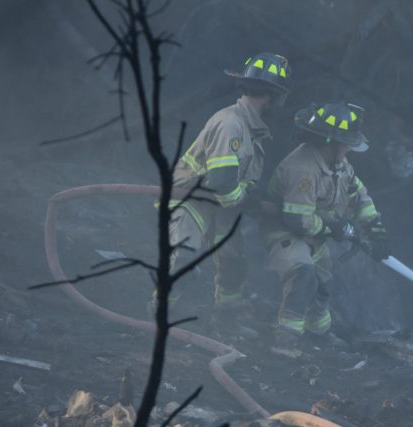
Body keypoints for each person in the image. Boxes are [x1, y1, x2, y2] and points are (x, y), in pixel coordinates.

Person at [165, 51, 291, 327]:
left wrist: (250, 200)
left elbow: (235, 184)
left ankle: (228, 313)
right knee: (185, 257)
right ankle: (161, 313)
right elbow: (222, 182)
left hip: (219, 203)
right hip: (192, 199)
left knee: (233, 259)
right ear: (271, 94)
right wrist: (252, 205)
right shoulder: (231, 124)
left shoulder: (251, 128)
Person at [264, 101, 389, 345]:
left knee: (325, 284)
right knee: (304, 274)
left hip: (315, 234)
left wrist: (376, 229)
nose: (350, 150)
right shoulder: (302, 169)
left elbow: (357, 194)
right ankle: (287, 334)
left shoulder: (339, 165)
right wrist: (333, 228)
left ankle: (317, 333)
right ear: (330, 142)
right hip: (285, 233)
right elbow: (297, 220)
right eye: (347, 144)